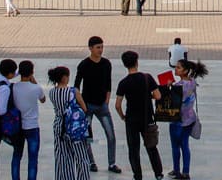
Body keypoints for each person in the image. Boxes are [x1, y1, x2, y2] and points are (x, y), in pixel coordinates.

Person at [114, 50, 165, 180]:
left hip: (131, 120)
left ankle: (138, 175)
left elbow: (117, 105)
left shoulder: (123, 83)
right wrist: (149, 96)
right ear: (137, 62)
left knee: (133, 149)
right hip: (147, 118)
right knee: (151, 147)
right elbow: (158, 95)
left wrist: (122, 116)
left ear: (125, 64)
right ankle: (158, 174)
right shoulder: (147, 78)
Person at [73, 37, 120, 175]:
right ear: (90, 48)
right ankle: (91, 161)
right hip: (87, 105)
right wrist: (81, 103)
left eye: (101, 47)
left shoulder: (106, 63)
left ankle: (112, 163)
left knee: (111, 135)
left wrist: (107, 100)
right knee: (86, 136)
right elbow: (76, 85)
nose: (100, 50)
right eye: (97, 47)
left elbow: (108, 82)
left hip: (102, 105)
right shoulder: (84, 64)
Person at [47, 65, 94, 180]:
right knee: (81, 157)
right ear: (64, 77)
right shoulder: (73, 91)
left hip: (59, 125)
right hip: (75, 127)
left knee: (62, 156)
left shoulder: (52, 92)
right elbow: (84, 108)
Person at [167, 58, 205, 180]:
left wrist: (169, 87)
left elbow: (172, 100)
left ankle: (177, 170)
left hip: (178, 119)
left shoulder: (178, 86)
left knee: (175, 146)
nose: (175, 69)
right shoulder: (192, 82)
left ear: (185, 71)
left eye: (178, 67)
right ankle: (185, 171)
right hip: (190, 118)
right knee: (185, 145)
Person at [9, 60, 48, 180]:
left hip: (17, 126)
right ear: (32, 72)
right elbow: (43, 99)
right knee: (32, 158)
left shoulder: (13, 87)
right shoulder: (36, 88)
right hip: (32, 126)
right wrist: (34, 80)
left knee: (16, 156)